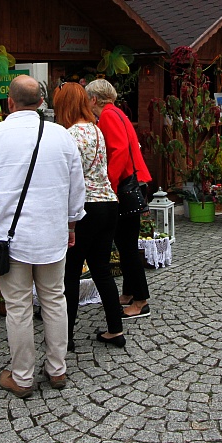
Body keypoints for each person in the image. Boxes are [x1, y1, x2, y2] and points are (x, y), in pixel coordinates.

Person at [0, 75, 86, 398]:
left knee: (18, 307)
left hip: (10, 238)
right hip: (52, 233)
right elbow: (78, 188)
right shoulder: (62, 136)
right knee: (54, 299)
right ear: (42, 103)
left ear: (10, 102)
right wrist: (72, 223)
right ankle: (57, 369)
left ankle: (22, 377)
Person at [53, 82, 125, 350]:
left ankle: (66, 338)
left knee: (70, 274)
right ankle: (115, 330)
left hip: (84, 208)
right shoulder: (96, 129)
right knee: (102, 270)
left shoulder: (69, 135)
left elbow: (68, 178)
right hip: (108, 202)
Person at [85, 79, 152, 319]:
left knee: (127, 247)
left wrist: (109, 186)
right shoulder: (118, 113)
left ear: (93, 99)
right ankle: (129, 293)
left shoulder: (108, 116)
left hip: (124, 186)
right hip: (133, 182)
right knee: (126, 245)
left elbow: (120, 151)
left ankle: (141, 300)